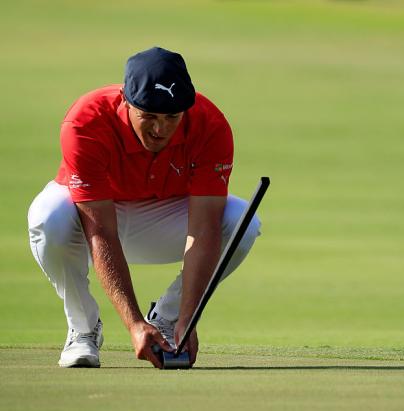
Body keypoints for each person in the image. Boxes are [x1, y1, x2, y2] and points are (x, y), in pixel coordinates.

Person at [27, 47, 261, 369]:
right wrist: (134, 323)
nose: (160, 130)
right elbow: (101, 231)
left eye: (171, 118)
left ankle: (168, 320)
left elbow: (204, 229)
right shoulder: (86, 121)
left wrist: (188, 316)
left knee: (242, 223)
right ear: (125, 100)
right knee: (48, 218)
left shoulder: (210, 124)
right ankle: (83, 329)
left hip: (161, 218)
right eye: (149, 116)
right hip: (91, 219)